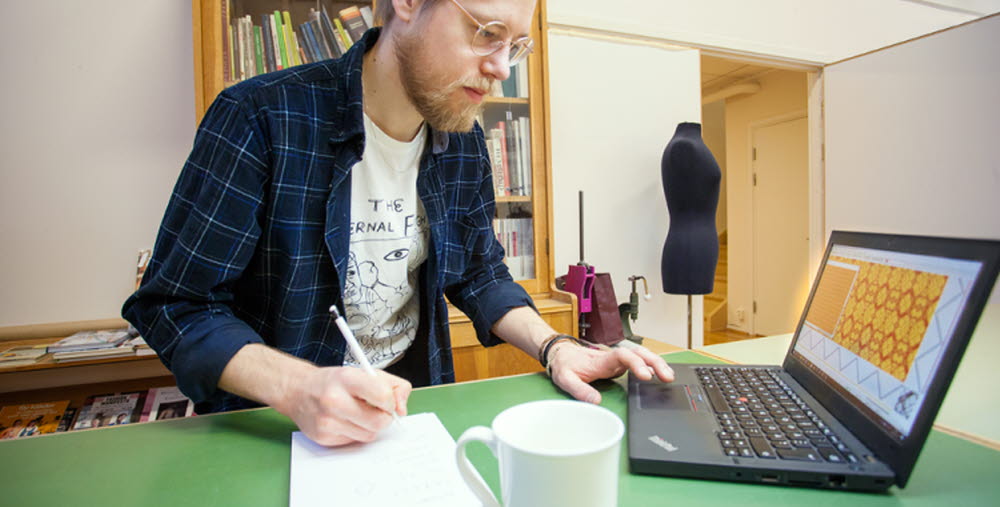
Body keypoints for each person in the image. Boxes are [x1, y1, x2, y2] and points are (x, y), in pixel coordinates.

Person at [123, 0, 674, 448]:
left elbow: (479, 271)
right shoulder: (260, 118)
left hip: (407, 413)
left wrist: (555, 347)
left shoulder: (461, 140)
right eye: (485, 33)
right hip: (269, 428)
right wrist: (301, 388)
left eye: (515, 46)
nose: (502, 68)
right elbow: (177, 305)